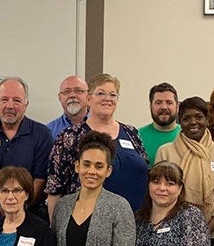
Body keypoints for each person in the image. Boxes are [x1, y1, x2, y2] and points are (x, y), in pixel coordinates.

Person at [47, 74, 149, 213]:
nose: (107, 99)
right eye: (101, 93)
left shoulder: (131, 132)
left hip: (137, 221)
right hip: (88, 223)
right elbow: (54, 188)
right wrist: (55, 229)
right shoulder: (69, 137)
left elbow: (146, 170)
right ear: (88, 99)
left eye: (113, 95)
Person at [154, 96, 214, 232]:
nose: (193, 122)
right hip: (175, 232)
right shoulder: (166, 152)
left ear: (207, 120)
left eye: (199, 117)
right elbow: (160, 195)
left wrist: (205, 231)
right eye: (187, 118)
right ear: (180, 122)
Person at [0, 77, 54, 196]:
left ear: (26, 104)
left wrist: (17, 206)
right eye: (4, 99)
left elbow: (40, 179)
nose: (10, 106)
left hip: (29, 209)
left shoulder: (42, 134)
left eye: (16, 100)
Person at [137, 83, 180, 161]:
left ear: (177, 107)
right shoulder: (137, 137)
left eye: (169, 102)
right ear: (150, 106)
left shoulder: (186, 135)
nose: (164, 107)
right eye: (158, 102)